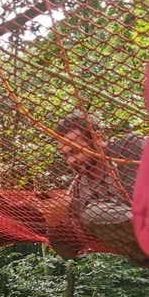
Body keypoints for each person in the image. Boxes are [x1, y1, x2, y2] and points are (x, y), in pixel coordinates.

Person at [53, 109, 146, 263]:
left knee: (93, 213)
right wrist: (54, 221)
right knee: (91, 214)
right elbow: (69, 252)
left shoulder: (129, 147)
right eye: (65, 155)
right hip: (142, 254)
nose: (70, 161)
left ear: (97, 138)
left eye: (75, 151)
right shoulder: (78, 187)